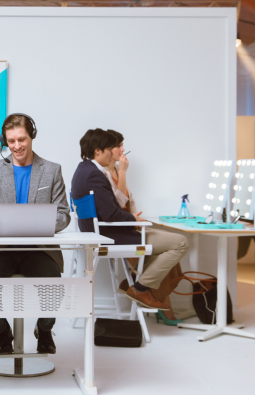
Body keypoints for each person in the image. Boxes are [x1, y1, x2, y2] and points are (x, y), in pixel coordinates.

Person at [0, 114, 71, 355]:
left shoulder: (52, 170)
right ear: (5, 141)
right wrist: (10, 224)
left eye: (22, 139)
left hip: (39, 249)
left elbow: (63, 215)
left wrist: (35, 224)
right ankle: (2, 331)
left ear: (32, 136)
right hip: (0, 249)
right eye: (11, 141)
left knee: (53, 284)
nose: (16, 146)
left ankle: (44, 329)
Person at [71, 129, 189, 311]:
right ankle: (139, 288)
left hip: (101, 232)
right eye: (110, 149)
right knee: (180, 242)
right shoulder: (94, 174)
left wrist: (132, 219)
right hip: (110, 235)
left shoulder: (82, 170)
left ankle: (133, 281)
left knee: (162, 245)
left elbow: (109, 210)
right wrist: (133, 218)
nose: (113, 153)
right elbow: (111, 214)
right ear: (97, 151)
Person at [105, 129, 182, 324]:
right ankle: (146, 293)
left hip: (131, 226)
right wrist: (123, 172)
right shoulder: (105, 174)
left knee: (170, 258)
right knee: (171, 250)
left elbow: (126, 202)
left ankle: (134, 284)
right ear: (108, 149)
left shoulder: (115, 170)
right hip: (122, 232)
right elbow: (116, 206)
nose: (123, 149)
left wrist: (135, 219)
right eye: (119, 146)